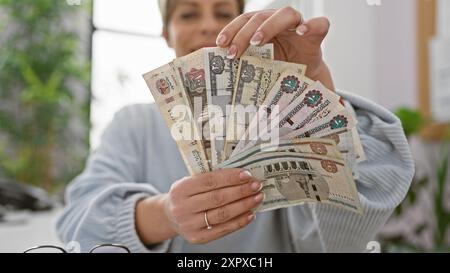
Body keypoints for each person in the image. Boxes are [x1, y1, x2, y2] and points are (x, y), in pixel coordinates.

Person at [56, 0, 415, 253]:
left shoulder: (279, 120)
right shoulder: (133, 123)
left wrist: (316, 85)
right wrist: (164, 215)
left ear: (241, 25)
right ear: (167, 33)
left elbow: (345, 229)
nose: (209, 24)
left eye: (223, 13)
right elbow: (78, 225)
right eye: (188, 13)